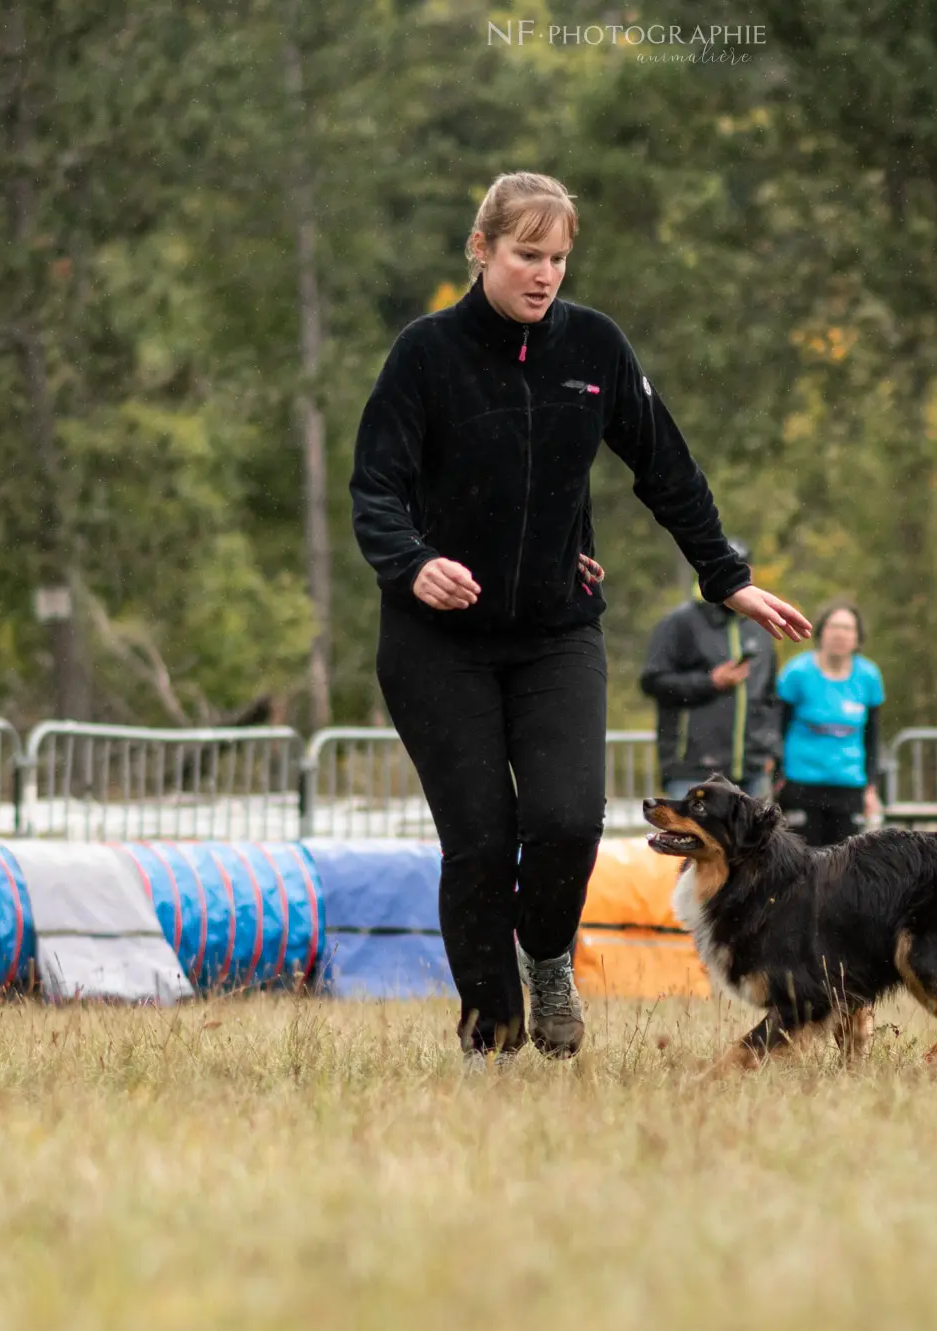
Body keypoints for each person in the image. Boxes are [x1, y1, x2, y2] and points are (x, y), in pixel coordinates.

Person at [349, 172, 810, 1061]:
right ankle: (492, 1030)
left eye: (558, 257)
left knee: (567, 820)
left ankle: (547, 957)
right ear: (481, 249)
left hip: (556, 630)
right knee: (480, 839)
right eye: (527, 254)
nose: (545, 274)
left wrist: (727, 577)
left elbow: (665, 467)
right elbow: (376, 487)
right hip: (437, 642)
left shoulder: (594, 348)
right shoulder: (425, 354)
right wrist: (413, 565)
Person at [639, 538, 782, 799]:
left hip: (752, 772)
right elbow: (652, 681)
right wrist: (710, 683)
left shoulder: (760, 626)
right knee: (692, 842)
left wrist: (772, 750)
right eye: (726, 567)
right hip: (692, 770)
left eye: (741, 568)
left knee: (752, 842)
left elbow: (770, 697)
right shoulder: (680, 622)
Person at [774, 602, 886, 846]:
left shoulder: (868, 676)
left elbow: (872, 736)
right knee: (802, 863)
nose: (840, 634)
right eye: (834, 627)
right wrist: (776, 775)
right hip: (802, 784)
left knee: (842, 866)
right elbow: (777, 728)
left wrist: (871, 787)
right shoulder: (797, 673)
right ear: (821, 632)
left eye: (847, 628)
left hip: (848, 785)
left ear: (857, 637)